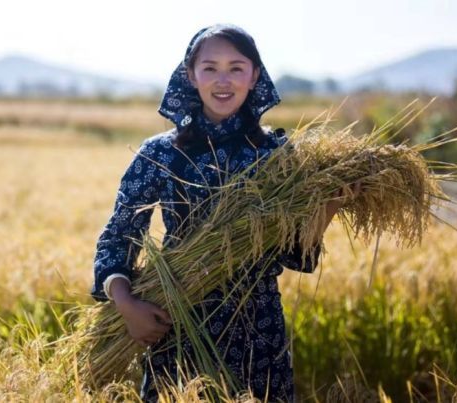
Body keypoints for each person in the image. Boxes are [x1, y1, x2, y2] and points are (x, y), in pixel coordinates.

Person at [90, 24, 350, 402]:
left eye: (236, 67)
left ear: (255, 75)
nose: (222, 80)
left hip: (258, 332)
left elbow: (293, 252)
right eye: (209, 68)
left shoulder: (278, 157)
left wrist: (330, 204)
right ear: (190, 75)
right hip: (178, 323)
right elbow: (119, 234)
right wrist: (126, 304)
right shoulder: (160, 154)